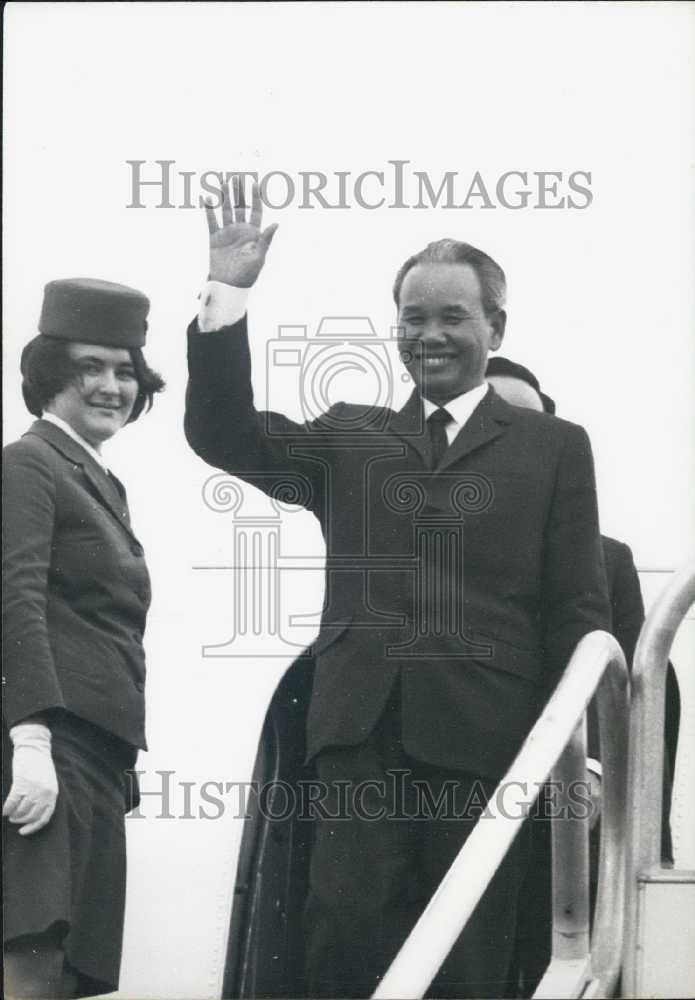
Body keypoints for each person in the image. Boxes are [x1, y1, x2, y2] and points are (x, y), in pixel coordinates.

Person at [184, 177, 611, 998]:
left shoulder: (554, 445)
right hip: (357, 741)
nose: (430, 335)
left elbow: (577, 609)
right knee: (344, 950)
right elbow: (223, 433)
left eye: (452, 316)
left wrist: (580, 759)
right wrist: (228, 294)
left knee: (467, 961)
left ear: (495, 327)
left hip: (489, 747)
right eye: (413, 318)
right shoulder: (352, 434)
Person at [486, 354, 681, 996]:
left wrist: (590, 774)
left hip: (564, 815)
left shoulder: (606, 559)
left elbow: (627, 673)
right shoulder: (420, 555)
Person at [2, 278, 164, 998]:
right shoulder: (29, 461)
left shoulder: (98, 478)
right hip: (49, 741)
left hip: (97, 754)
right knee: (33, 952)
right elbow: (14, 597)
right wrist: (30, 740)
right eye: (89, 367)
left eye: (125, 370)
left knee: (70, 968)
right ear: (48, 374)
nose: (111, 386)